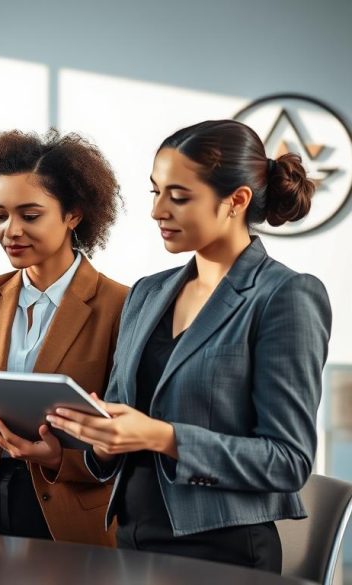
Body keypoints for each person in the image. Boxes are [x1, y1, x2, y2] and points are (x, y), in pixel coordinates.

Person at [48, 120, 332, 572]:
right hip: (130, 539)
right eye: (154, 192)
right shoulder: (146, 293)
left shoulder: (284, 296)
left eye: (178, 197)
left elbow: (287, 461)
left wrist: (163, 437)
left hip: (224, 553)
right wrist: (102, 438)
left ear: (236, 201)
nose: (158, 211)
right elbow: (127, 423)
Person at [0, 130, 127, 545]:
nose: (11, 230)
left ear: (74, 215)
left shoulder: (121, 305)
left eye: (30, 216)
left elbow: (127, 429)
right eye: (0, 215)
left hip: (70, 517)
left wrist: (60, 457)